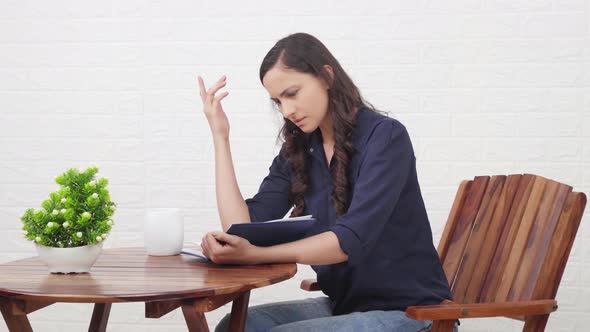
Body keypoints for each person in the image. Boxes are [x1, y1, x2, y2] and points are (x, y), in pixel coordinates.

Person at [197, 32, 456, 332]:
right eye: (278, 101)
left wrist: (255, 255)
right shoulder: (300, 150)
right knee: (236, 326)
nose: (287, 110)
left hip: (412, 314)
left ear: (326, 76)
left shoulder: (386, 138)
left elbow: (349, 240)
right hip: (347, 308)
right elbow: (241, 229)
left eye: (292, 93)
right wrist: (220, 137)